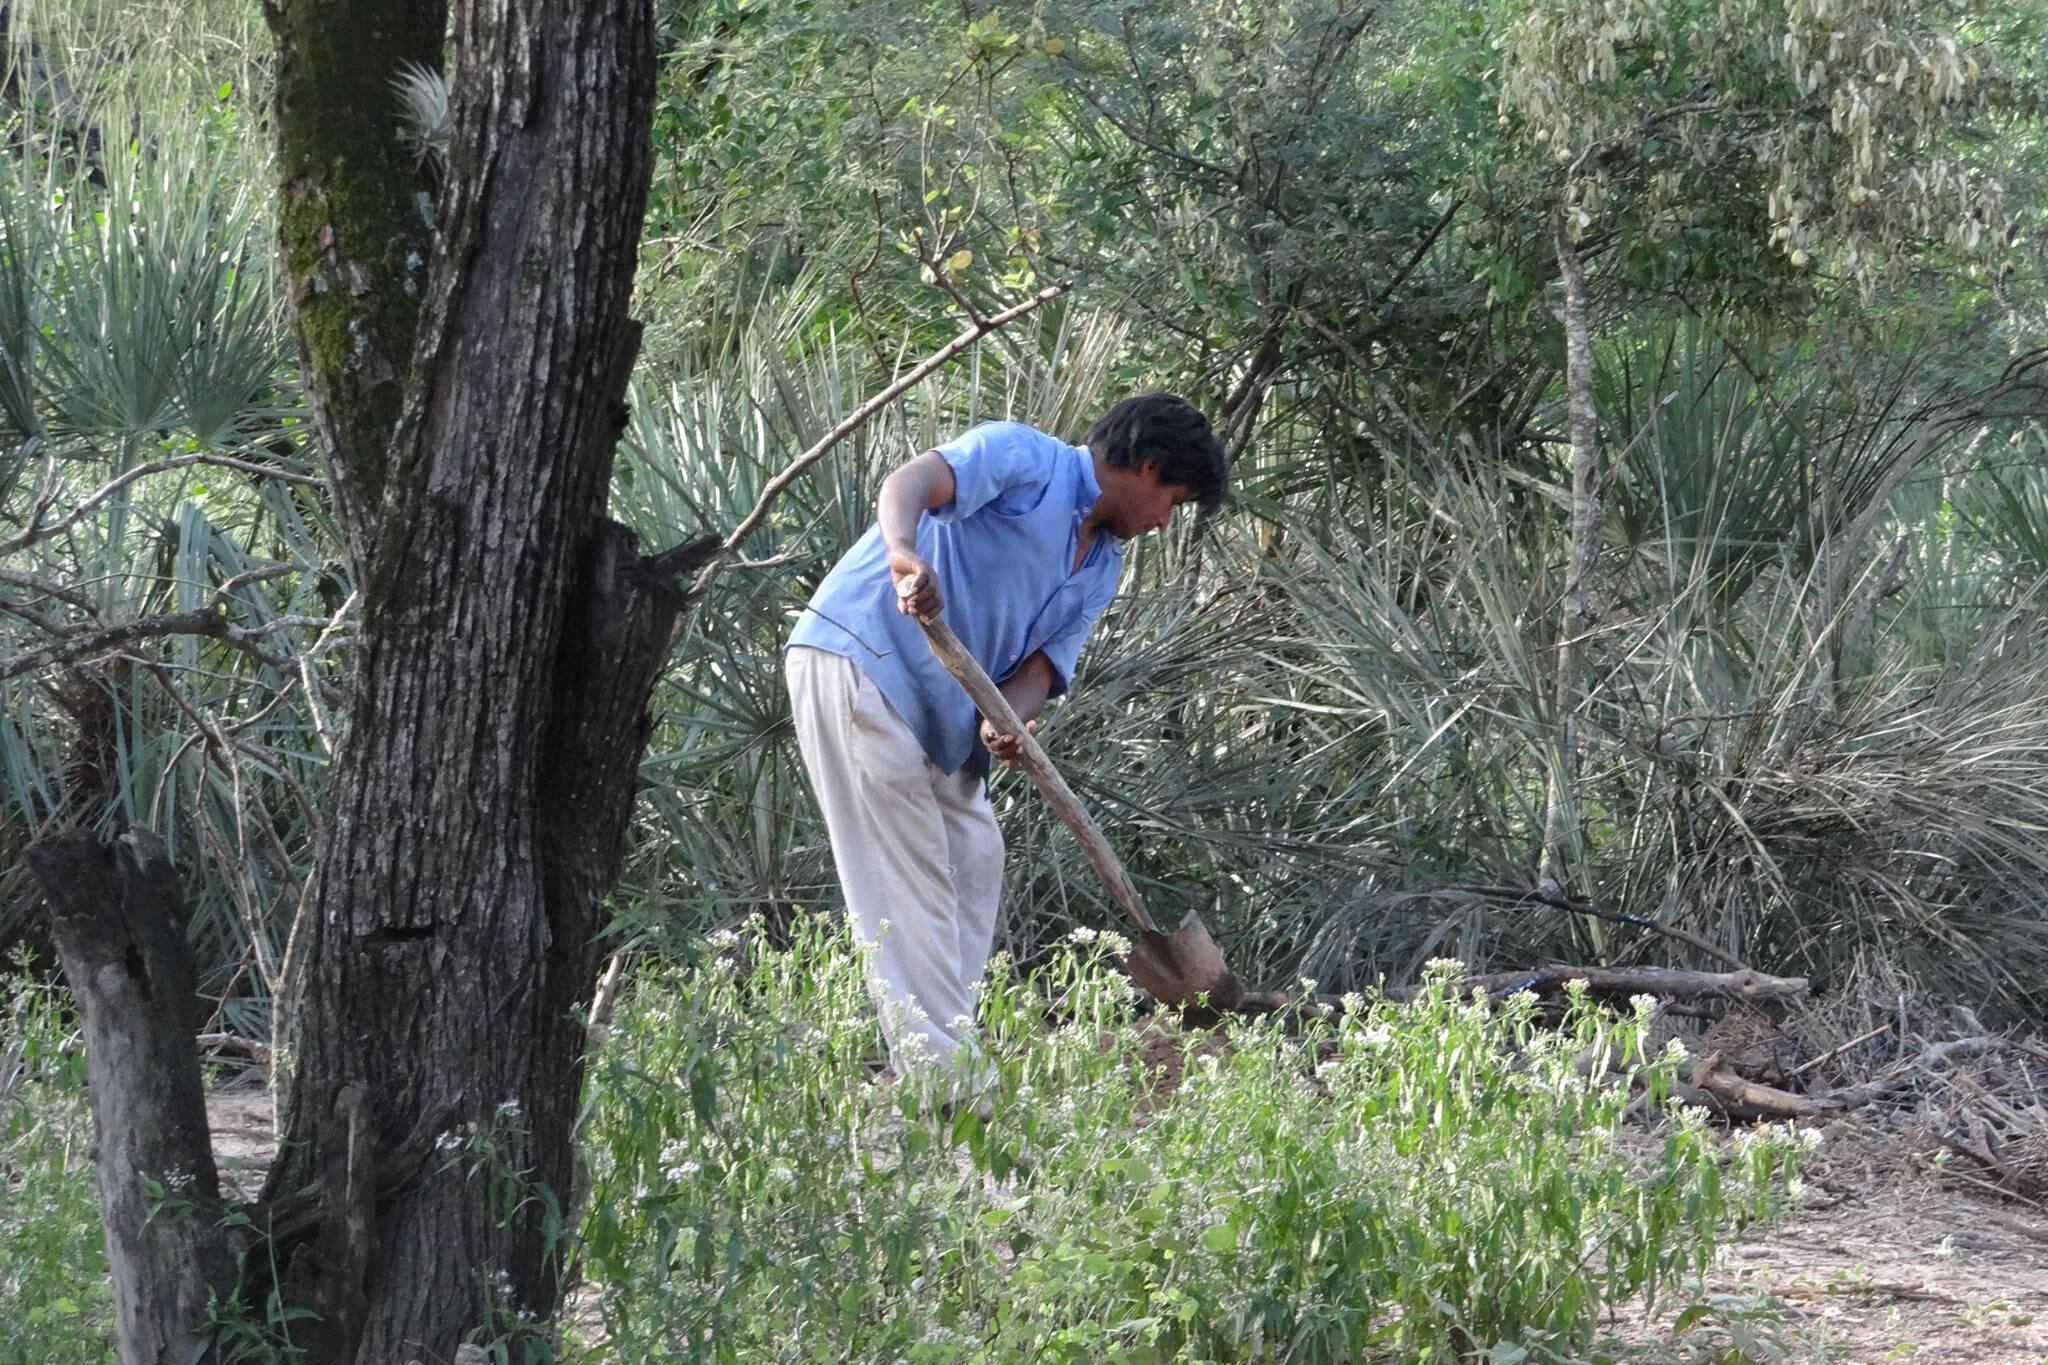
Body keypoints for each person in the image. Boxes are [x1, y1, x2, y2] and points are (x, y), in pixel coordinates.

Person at [784, 393, 1229, 1097]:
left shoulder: (1102, 567)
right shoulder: (1026, 459)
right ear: (1147, 468)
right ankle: (950, 1086)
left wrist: (1010, 720)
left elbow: (1041, 671)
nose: (1163, 521)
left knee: (975, 856)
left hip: (945, 716)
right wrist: (904, 556)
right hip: (862, 658)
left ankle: (942, 1047)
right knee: (911, 877)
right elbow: (910, 483)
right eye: (1171, 500)